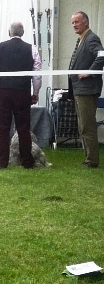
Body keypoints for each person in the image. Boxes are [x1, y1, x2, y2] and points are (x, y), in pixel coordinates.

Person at [0, 21, 41, 169]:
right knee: (24, 128)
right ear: (23, 33)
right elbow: (37, 75)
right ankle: (27, 162)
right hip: (22, 91)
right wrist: (35, 93)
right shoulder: (32, 49)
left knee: (2, 128)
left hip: (3, 91)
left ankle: (2, 162)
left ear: (9, 33)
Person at [68, 11, 104, 168]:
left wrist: (89, 71)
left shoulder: (92, 38)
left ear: (86, 22)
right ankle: (88, 158)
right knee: (82, 125)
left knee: (87, 125)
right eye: (73, 23)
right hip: (79, 89)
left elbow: (102, 55)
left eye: (77, 21)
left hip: (87, 90)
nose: (74, 25)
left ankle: (92, 161)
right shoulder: (82, 39)